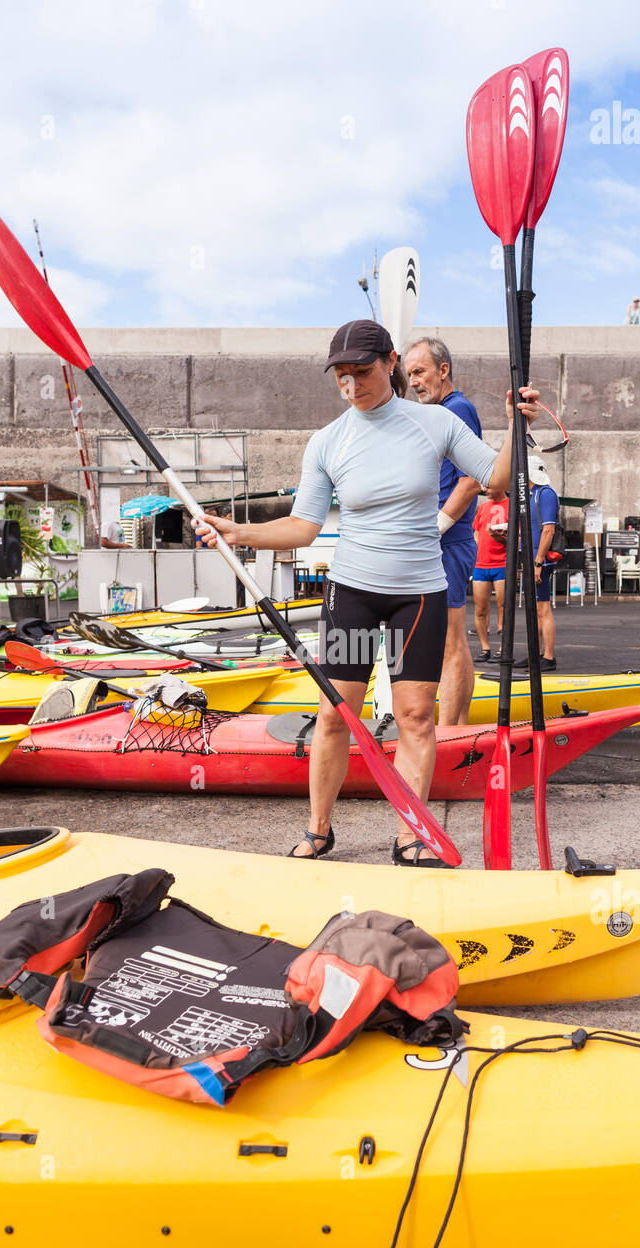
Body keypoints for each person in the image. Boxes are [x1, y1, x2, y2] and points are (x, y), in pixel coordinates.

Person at [197, 319, 540, 865]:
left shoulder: (435, 424)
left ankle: (410, 833)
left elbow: (495, 481)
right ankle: (318, 829)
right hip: (352, 597)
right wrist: (241, 534)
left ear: (391, 364)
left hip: (419, 596)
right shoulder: (328, 441)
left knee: (415, 717)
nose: (352, 387)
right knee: (337, 714)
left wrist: (514, 430)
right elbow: (304, 525)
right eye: (342, 377)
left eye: (362, 373)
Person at [404, 336, 486, 724]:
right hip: (436, 542)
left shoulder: (457, 409)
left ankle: (451, 733)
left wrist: (434, 528)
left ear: (443, 370)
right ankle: (446, 727)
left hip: (447, 543)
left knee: (452, 643)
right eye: (408, 374)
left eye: (419, 371)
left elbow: (472, 479)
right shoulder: (437, 413)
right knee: (440, 643)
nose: (414, 381)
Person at [511, 456, 558, 672]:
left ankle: (548, 656)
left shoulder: (545, 494)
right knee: (534, 608)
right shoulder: (531, 495)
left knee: (542, 608)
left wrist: (539, 561)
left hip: (540, 559)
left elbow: (549, 529)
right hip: (532, 558)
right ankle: (536, 654)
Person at [471, 489, 509, 660]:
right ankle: (485, 648)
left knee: (504, 607)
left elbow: (517, 538)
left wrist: (499, 537)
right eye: (484, 486)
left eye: (489, 486)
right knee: (480, 610)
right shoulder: (483, 507)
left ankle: (503, 648)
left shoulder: (511, 506)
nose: (485, 490)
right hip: (481, 564)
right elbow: (477, 532)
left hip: (502, 563)